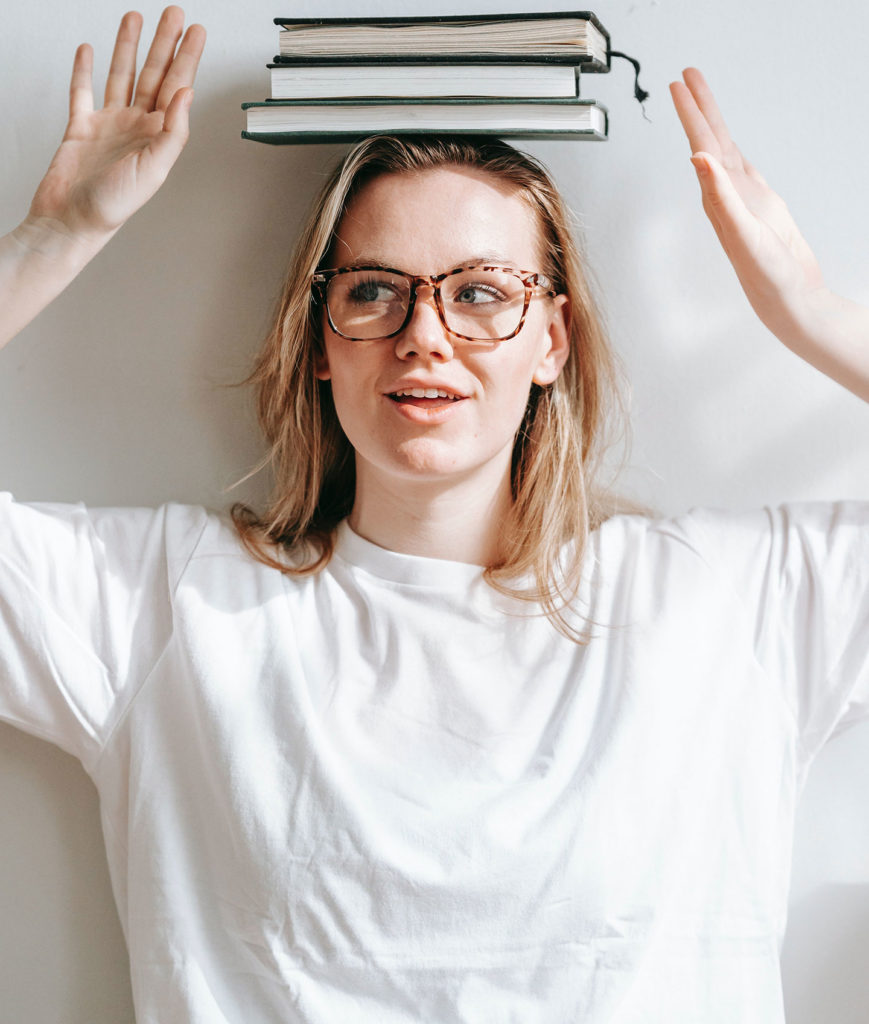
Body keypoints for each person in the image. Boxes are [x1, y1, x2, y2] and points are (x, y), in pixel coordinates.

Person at [1, 7, 866, 1023]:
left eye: (481, 293)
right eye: (374, 291)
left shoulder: (732, 604)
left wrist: (809, 314)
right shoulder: (160, 605)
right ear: (319, 341)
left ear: (552, 340)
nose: (424, 335)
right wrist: (53, 238)